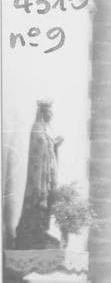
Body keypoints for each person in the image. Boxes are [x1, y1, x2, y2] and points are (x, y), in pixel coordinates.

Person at [16, 100, 63, 249]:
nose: (51, 116)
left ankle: (41, 230)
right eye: (49, 113)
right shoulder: (37, 128)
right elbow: (38, 147)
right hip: (38, 176)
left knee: (48, 201)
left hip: (47, 176)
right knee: (37, 200)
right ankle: (33, 233)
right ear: (42, 113)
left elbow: (48, 149)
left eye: (52, 113)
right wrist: (51, 144)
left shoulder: (45, 131)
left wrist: (55, 145)